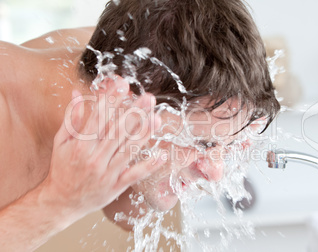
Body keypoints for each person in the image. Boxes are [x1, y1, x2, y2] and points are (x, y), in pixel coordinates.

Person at [0, 0, 280, 251]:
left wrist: (225, 139)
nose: (216, 174)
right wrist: (59, 202)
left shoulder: (124, 61)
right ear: (126, 103)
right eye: (201, 143)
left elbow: (124, 214)